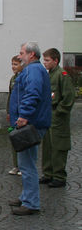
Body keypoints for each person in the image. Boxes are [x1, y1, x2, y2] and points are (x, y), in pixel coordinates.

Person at [8, 41, 52, 216]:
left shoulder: (33, 70)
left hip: (31, 123)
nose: (19, 56)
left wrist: (24, 116)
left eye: (22, 53)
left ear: (31, 54)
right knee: (25, 162)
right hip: (33, 122)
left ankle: (31, 202)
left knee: (27, 165)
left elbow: (32, 94)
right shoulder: (34, 70)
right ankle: (26, 195)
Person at [39, 48, 76, 188]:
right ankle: (48, 173)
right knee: (47, 146)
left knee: (59, 146)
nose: (45, 63)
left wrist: (59, 112)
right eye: (44, 60)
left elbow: (68, 97)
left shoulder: (62, 75)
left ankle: (59, 176)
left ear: (55, 60)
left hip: (58, 116)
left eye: (47, 60)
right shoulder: (49, 75)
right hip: (48, 115)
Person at [7, 55, 23, 176]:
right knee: (14, 138)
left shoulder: (25, 78)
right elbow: (10, 96)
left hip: (22, 113)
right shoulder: (13, 79)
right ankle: (16, 165)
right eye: (12, 64)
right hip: (13, 114)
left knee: (23, 138)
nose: (13, 67)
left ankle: (23, 166)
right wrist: (8, 111)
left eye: (16, 64)